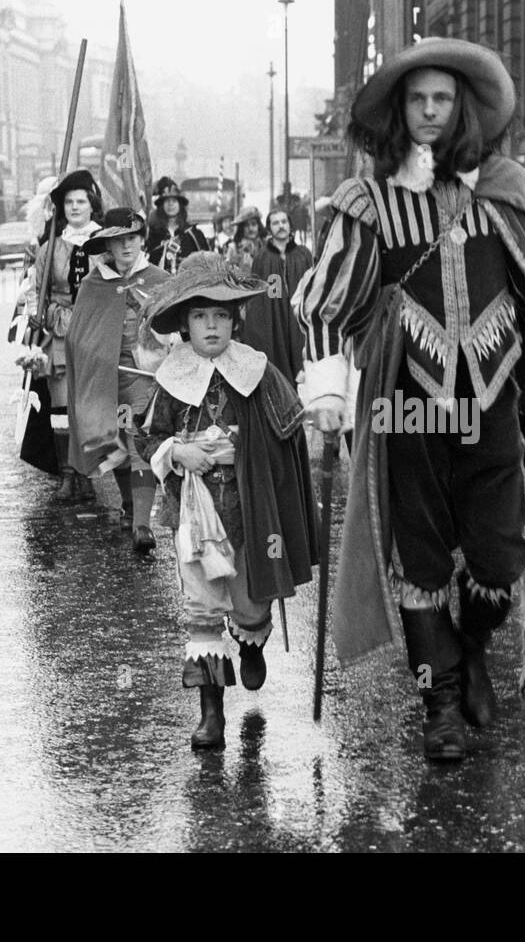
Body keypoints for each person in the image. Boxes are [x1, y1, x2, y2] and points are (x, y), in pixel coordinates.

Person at [293, 37, 525, 762]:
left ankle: (473, 650)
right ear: (401, 110)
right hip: (408, 404)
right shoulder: (366, 204)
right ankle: (439, 706)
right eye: (418, 100)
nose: (430, 113)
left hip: (493, 399)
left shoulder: (505, 191)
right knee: (420, 562)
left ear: (464, 109)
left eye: (443, 100)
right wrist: (329, 383)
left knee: (500, 556)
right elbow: (328, 300)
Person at [136, 253, 317, 750]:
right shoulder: (171, 379)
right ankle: (211, 713)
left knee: (249, 599)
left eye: (220, 315)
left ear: (235, 320)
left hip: (251, 510)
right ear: (185, 325)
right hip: (194, 515)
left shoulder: (257, 370)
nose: (210, 326)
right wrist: (180, 451)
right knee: (202, 608)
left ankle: (252, 638)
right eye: (199, 316)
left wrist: (257, 445)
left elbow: (290, 428)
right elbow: (148, 441)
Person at [64, 208, 173, 553]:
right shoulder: (94, 286)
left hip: (147, 380)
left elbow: (178, 328)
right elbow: (78, 337)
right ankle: (128, 505)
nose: (127, 245)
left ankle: (142, 523)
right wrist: (95, 358)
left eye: (133, 238)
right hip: (107, 381)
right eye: (119, 240)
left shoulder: (161, 280)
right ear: (108, 245)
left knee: (139, 440)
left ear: (142, 240)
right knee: (117, 446)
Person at [16, 169, 103, 503]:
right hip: (61, 338)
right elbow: (37, 298)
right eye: (68, 202)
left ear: (91, 204)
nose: (75, 207)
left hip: (96, 336)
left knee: (89, 410)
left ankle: (88, 475)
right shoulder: (48, 249)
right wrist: (58, 318)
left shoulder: (104, 244)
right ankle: (67, 475)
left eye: (81, 201)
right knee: (62, 411)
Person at [244, 207, 314, 382]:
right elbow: (257, 297)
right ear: (269, 228)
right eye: (275, 223)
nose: (281, 226)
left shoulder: (303, 254)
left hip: (299, 321)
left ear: (290, 225)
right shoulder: (262, 258)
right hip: (274, 320)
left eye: (284, 221)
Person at [145, 176, 212, 273]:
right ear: (161, 206)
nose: (170, 204)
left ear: (180, 205)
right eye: (167, 201)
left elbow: (206, 265)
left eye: (174, 201)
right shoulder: (153, 234)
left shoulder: (194, 234)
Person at [225, 206, 263, 272]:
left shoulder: (265, 245)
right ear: (241, 228)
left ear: (258, 226)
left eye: (253, 224)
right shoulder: (233, 248)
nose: (250, 228)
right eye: (246, 225)